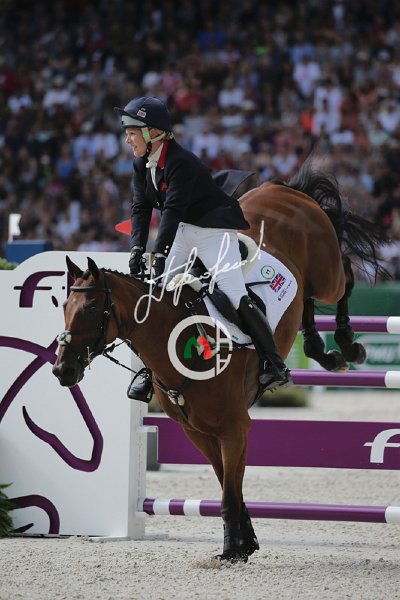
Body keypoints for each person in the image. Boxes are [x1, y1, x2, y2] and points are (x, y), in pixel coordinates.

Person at [114, 96, 291, 402]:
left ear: (152, 132)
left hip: (212, 231)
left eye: (132, 132)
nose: (127, 139)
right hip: (182, 230)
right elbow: (140, 208)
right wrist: (136, 249)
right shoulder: (141, 163)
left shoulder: (180, 161)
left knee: (234, 294)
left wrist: (159, 253)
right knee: (155, 296)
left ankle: (273, 363)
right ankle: (148, 371)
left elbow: (172, 210)